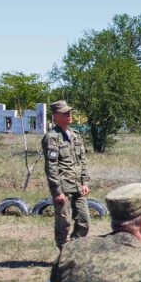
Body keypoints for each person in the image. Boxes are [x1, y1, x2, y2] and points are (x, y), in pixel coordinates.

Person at [42, 100, 90, 248]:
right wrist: (57, 191)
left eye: (69, 112)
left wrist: (85, 182)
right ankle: (64, 251)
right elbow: (51, 166)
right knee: (64, 223)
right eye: (64, 113)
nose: (69, 115)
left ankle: (73, 248)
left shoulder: (75, 134)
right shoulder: (52, 137)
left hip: (78, 186)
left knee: (84, 221)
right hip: (63, 187)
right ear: (55, 116)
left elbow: (82, 160)